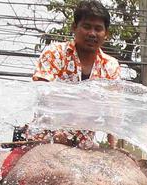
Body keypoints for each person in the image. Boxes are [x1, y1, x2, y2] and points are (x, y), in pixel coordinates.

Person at [28, 0, 121, 148]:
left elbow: (113, 112)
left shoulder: (111, 66)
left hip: (85, 145)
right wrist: (56, 133)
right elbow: (43, 96)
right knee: (9, 167)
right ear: (74, 27)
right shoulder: (54, 53)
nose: (92, 33)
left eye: (98, 29)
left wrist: (113, 148)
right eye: (86, 27)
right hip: (45, 140)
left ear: (106, 34)